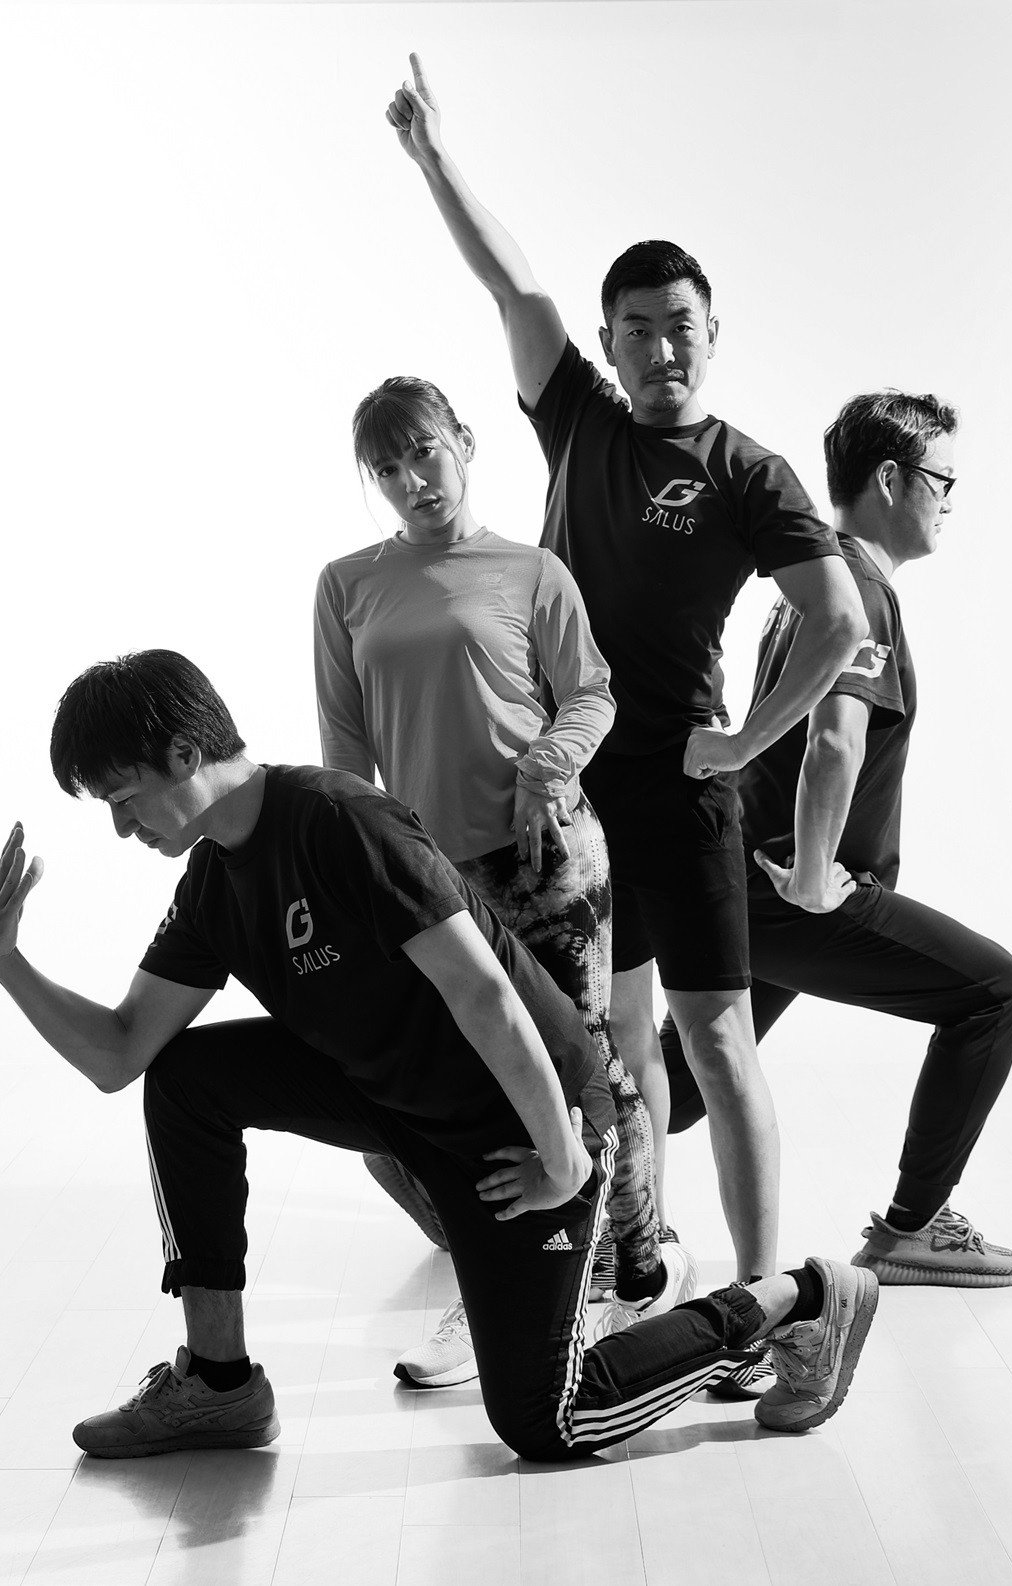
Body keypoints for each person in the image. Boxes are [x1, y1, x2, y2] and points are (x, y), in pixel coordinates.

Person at [0, 648, 878, 1461]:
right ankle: (219, 1385)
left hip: (525, 1122)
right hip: (403, 1104)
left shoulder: (340, 820)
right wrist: (7, 962)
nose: (122, 828)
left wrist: (562, 1154)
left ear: (183, 753)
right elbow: (122, 1053)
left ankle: (798, 1300)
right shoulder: (213, 881)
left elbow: (483, 993)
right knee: (186, 1079)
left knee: (548, 1421)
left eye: (123, 798)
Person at [383, 54, 868, 1393]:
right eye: (638, 328)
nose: (663, 347)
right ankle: (627, 1261)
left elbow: (835, 621)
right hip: (571, 798)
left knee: (714, 1037)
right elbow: (513, 285)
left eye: (681, 323)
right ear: (609, 346)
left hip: (680, 788)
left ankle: (765, 1303)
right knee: (614, 1046)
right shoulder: (583, 425)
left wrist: (746, 741)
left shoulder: (749, 470)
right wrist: (434, 158)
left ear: (714, 331)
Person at [315, 377, 691, 1388]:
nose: (412, 480)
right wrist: (364, 864)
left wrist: (546, 768)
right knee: (461, 1089)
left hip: (546, 856)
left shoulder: (530, 571)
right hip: (430, 879)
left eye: (424, 452)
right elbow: (345, 750)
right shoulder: (345, 586)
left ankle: (634, 1268)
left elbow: (592, 691)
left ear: (464, 442)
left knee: (583, 1066)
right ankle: (511, 1284)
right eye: (387, 468)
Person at [661, 392, 1012, 1290]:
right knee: (994, 994)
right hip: (792, 891)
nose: (951, 500)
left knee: (673, 1089)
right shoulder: (859, 592)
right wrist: (813, 878)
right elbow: (834, 742)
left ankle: (485, 1157)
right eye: (943, 480)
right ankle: (913, 1228)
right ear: (891, 479)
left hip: (744, 879)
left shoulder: (812, 584)